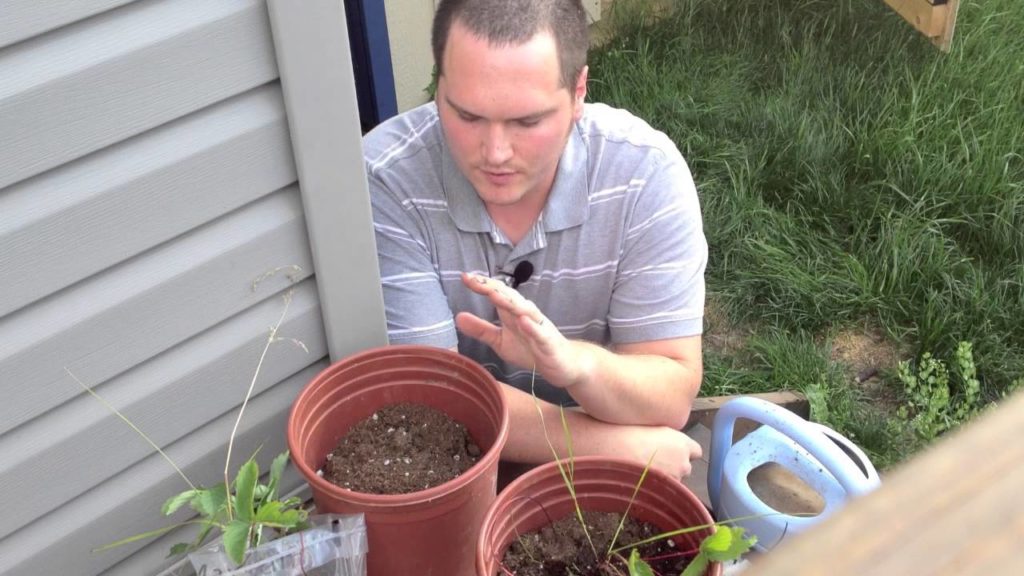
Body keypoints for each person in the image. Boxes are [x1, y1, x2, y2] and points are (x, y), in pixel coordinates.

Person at [362, 0, 706, 479]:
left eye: (527, 122)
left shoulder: (644, 176)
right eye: (467, 115)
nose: (495, 153)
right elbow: (430, 401)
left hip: (575, 433)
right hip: (452, 468)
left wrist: (575, 365)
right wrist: (611, 446)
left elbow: (670, 392)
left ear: (579, 91)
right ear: (438, 85)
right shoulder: (385, 180)